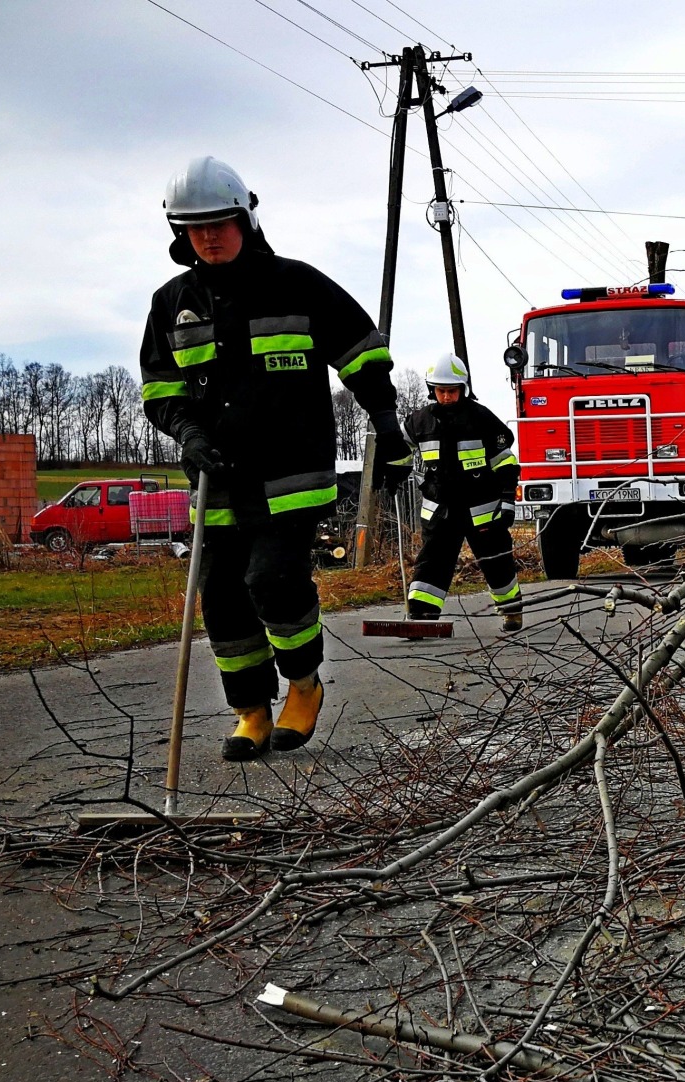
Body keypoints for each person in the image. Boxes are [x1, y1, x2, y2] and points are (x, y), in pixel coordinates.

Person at [139, 157, 410, 761]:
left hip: (291, 470)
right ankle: (252, 710)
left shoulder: (298, 284)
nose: (208, 237)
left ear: (245, 216)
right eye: (193, 227)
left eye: (219, 222)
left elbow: (363, 354)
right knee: (225, 600)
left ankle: (304, 683)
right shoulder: (171, 304)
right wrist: (186, 432)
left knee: (273, 579)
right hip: (217, 479)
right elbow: (160, 389)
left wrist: (388, 424)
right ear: (179, 232)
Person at [402, 354, 523, 631]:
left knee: (495, 561)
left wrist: (506, 499)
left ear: (462, 389)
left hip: (482, 509)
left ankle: (511, 610)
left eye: (452, 391)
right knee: (432, 562)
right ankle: (421, 617)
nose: (446, 396)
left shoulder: (481, 419)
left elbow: (505, 462)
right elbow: (398, 449)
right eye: (441, 391)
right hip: (440, 509)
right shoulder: (419, 421)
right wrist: (394, 470)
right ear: (432, 390)